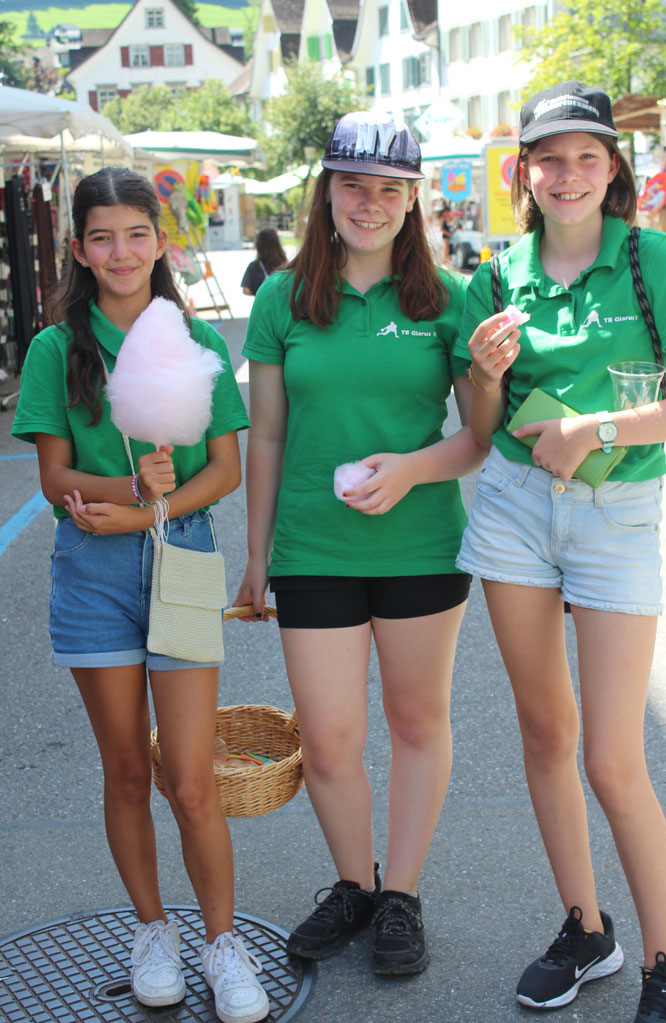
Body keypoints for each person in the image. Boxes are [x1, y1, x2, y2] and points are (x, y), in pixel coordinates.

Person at [234, 111, 517, 975]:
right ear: (328, 192)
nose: (369, 202)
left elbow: (477, 438)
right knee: (326, 736)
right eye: (353, 184)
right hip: (311, 549)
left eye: (388, 188)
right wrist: (257, 554)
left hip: (422, 548)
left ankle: (401, 894)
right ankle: (353, 883)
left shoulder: (448, 301)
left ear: (412, 198)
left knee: (416, 719)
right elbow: (269, 437)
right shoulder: (283, 297)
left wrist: (414, 465)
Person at [11, 167, 269, 1023]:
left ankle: (222, 942)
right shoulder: (56, 349)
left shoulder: (192, 347)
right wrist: (125, 487)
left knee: (191, 781)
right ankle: (152, 928)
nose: (119, 251)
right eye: (101, 236)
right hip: (91, 577)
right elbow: (53, 477)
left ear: (159, 241)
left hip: (184, 562)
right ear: (79, 249)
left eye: (135, 233)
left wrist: (152, 505)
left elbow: (226, 469)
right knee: (126, 770)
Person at [455, 81, 666, 1022]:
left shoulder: (655, 260)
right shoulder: (496, 276)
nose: (568, 173)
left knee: (614, 758)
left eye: (587, 155)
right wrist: (481, 369)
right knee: (546, 734)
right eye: (549, 158)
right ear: (524, 174)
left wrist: (594, 426)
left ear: (613, 167)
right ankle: (586, 931)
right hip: (512, 507)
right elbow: (477, 428)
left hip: (616, 512)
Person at [240, 228, 287, 297]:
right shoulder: (284, 264)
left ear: (259, 245)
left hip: (262, 305)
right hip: (281, 305)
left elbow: (246, 290)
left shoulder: (254, 266)